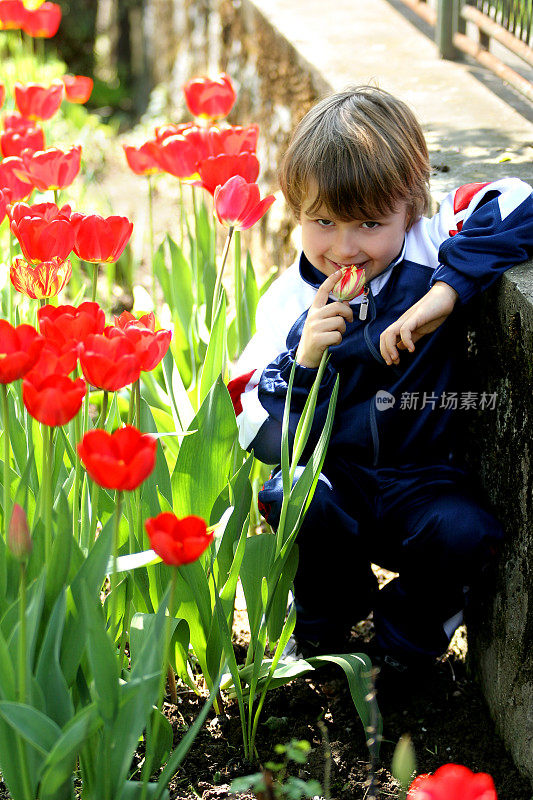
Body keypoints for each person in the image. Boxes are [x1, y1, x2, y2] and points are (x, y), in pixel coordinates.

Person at [227, 86, 533, 677]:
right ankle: (321, 629)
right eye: (323, 222)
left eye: (370, 222)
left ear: (411, 206)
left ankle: (403, 644)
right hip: (334, 479)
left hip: (422, 478)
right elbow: (257, 432)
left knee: (467, 531)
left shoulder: (429, 245)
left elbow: (518, 199)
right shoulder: (288, 302)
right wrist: (304, 359)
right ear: (295, 211)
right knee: (291, 493)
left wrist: (446, 292)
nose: (345, 247)